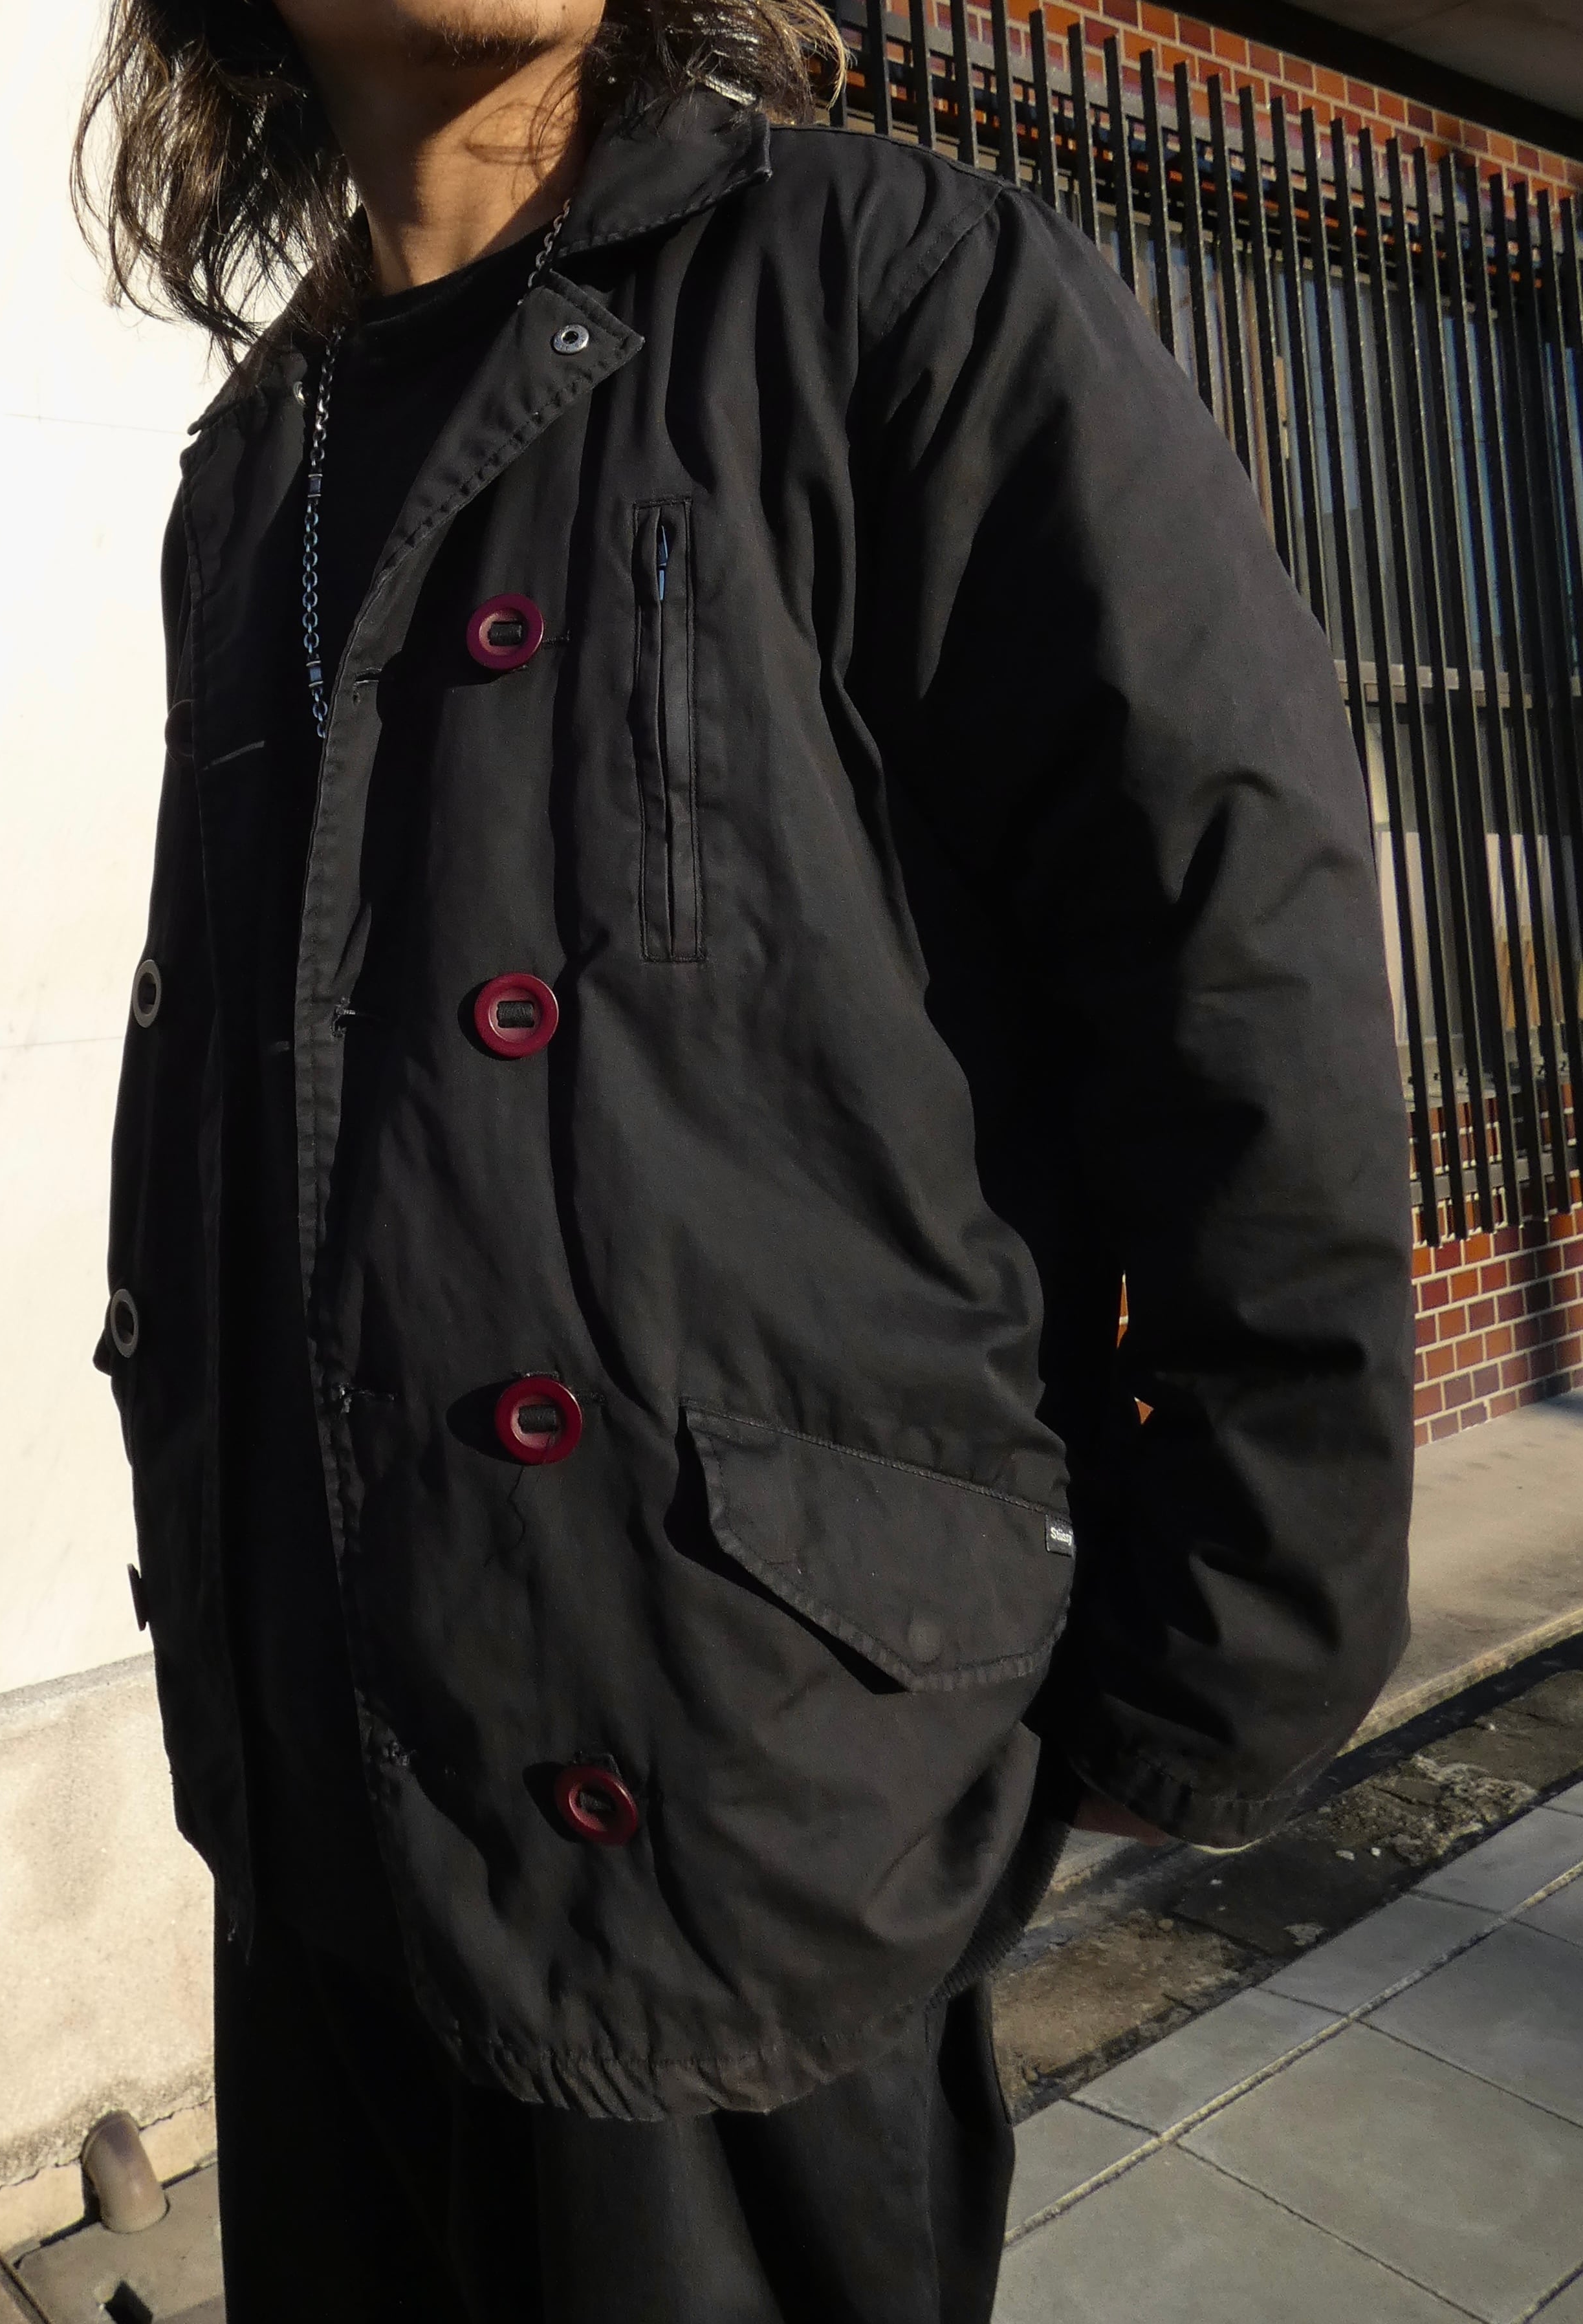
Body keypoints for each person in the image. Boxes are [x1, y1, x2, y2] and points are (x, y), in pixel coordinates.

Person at [77, 5, 1414, 2317]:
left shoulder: (883, 281)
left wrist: (1231, 1625)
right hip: (318, 1774)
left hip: (718, 1776)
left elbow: (1227, 924)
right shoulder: (256, 459)